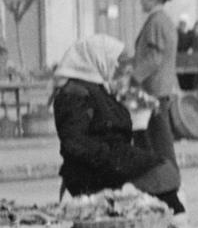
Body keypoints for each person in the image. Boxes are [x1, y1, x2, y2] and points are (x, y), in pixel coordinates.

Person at [52, 34, 168, 198]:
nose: (120, 68)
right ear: (98, 59)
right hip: (92, 172)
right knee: (161, 174)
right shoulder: (74, 93)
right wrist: (114, 158)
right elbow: (75, 143)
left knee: (164, 171)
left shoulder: (99, 88)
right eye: (117, 63)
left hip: (112, 161)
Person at [127, 0, 185, 214]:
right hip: (159, 91)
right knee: (156, 144)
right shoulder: (162, 20)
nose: (141, 1)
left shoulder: (156, 21)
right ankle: (168, 193)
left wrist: (133, 77)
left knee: (158, 146)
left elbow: (154, 57)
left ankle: (172, 195)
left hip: (154, 93)